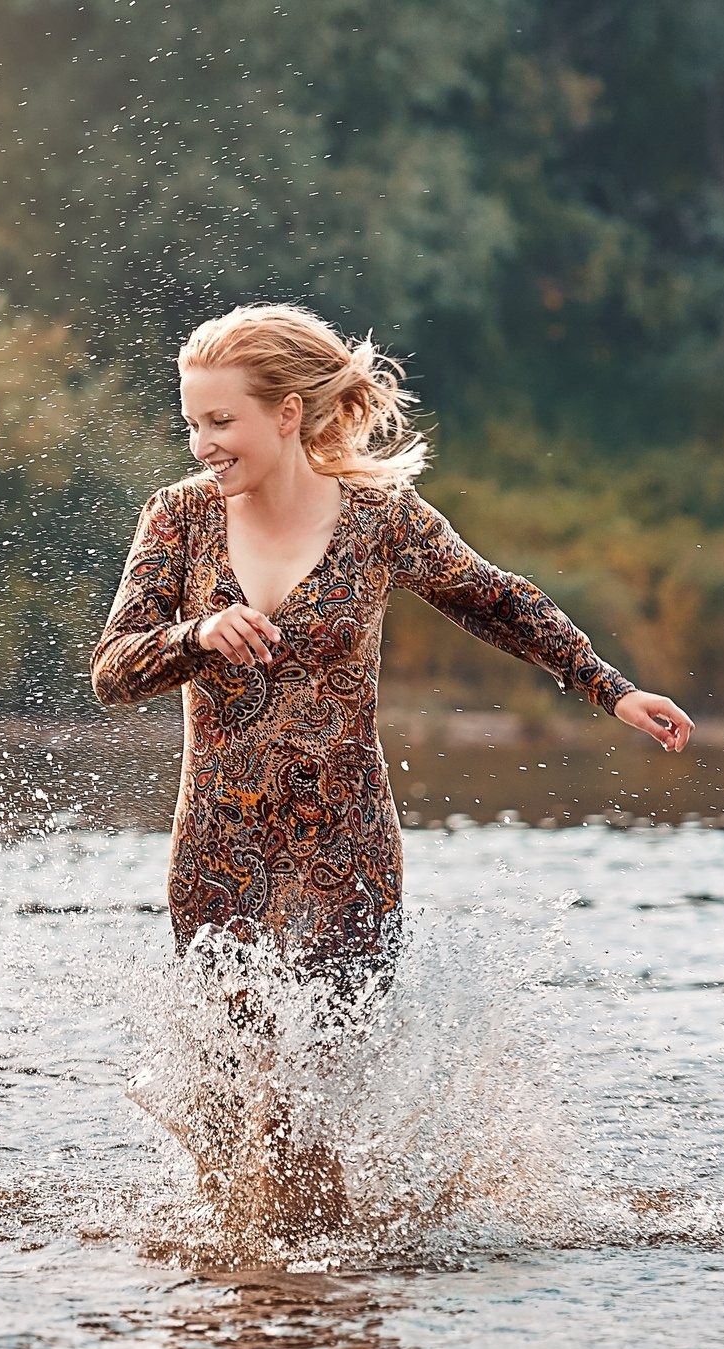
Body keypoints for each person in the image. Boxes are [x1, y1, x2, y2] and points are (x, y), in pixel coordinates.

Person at [90, 302, 691, 1243]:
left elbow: (499, 601)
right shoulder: (180, 518)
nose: (203, 442)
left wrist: (609, 690)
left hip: (347, 844)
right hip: (219, 849)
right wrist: (196, 635)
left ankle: (318, 1298)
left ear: (287, 413)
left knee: (301, 1094)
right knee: (228, 1103)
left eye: (221, 420)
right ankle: (256, 1291)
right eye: (192, 423)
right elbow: (113, 669)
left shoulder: (379, 520)